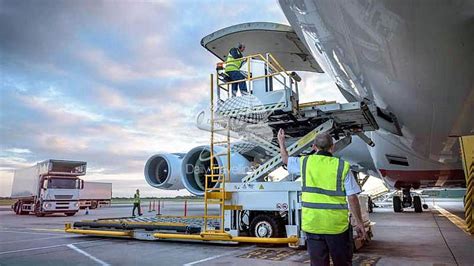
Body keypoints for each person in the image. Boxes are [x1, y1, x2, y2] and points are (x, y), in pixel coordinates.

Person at [277, 129, 367, 266]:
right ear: (333, 147)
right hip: (337, 226)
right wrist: (359, 222)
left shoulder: (305, 163)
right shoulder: (342, 166)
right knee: (342, 262)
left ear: (314, 147)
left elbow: (285, 160)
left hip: (313, 224)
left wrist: (281, 142)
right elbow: (352, 197)